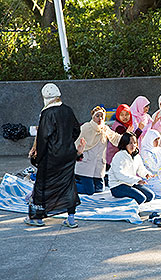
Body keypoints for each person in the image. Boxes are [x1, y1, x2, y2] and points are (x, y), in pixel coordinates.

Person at [25, 83, 84, 228]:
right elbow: (77, 129)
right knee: (68, 185)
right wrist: (67, 143)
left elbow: (43, 137)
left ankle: (37, 217)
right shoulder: (68, 110)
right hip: (68, 154)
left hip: (51, 156)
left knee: (42, 185)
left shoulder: (47, 113)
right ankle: (71, 218)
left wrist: (37, 157)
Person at [75, 106, 122, 195]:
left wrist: (129, 137)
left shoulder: (105, 128)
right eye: (97, 116)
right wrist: (78, 151)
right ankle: (69, 185)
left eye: (102, 116)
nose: (100, 118)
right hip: (86, 164)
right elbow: (75, 141)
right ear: (93, 116)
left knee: (99, 189)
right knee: (89, 191)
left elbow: (115, 138)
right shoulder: (86, 127)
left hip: (99, 165)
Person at [108, 132, 155, 204]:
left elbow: (141, 169)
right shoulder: (119, 155)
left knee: (150, 196)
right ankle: (125, 205)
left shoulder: (136, 156)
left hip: (130, 183)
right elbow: (119, 175)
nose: (133, 145)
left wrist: (146, 174)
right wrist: (137, 180)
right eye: (130, 143)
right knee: (141, 198)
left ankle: (132, 195)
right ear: (125, 144)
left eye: (135, 143)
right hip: (117, 186)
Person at [106, 104, 141, 168]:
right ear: (118, 115)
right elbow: (127, 141)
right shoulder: (119, 127)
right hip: (113, 158)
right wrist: (139, 130)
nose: (125, 117)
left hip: (119, 158)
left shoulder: (125, 124)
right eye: (122, 115)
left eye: (127, 114)